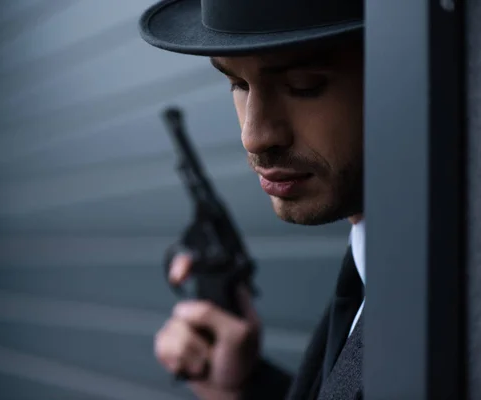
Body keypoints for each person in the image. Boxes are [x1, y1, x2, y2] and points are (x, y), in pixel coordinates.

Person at [138, 0, 366, 399]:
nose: (254, 136)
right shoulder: (370, 267)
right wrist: (243, 388)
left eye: (304, 85)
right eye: (237, 84)